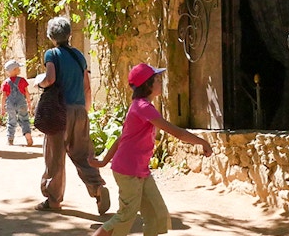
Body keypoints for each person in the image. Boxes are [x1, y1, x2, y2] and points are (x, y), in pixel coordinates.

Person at [90, 63, 212, 236]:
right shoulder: (143, 108)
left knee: (156, 214)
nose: (161, 82)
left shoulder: (140, 106)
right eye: (157, 79)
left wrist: (104, 161)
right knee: (125, 216)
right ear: (148, 85)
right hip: (128, 171)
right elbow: (177, 132)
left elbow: (122, 137)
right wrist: (202, 142)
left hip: (140, 170)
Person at [35, 15, 109, 214]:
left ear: (51, 36)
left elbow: (50, 79)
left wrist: (39, 82)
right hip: (79, 110)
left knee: (54, 156)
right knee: (83, 154)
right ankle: (97, 187)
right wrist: (85, 110)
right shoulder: (78, 56)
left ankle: (53, 199)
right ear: (69, 35)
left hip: (59, 111)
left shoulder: (52, 54)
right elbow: (87, 86)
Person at [0, 59, 33, 146]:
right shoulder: (22, 80)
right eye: (18, 68)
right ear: (14, 70)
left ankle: (10, 139)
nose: (20, 69)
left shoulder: (5, 83)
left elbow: (3, 96)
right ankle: (28, 137)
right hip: (21, 104)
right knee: (24, 120)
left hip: (10, 105)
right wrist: (29, 103)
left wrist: (2, 108)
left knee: (11, 121)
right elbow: (27, 93)